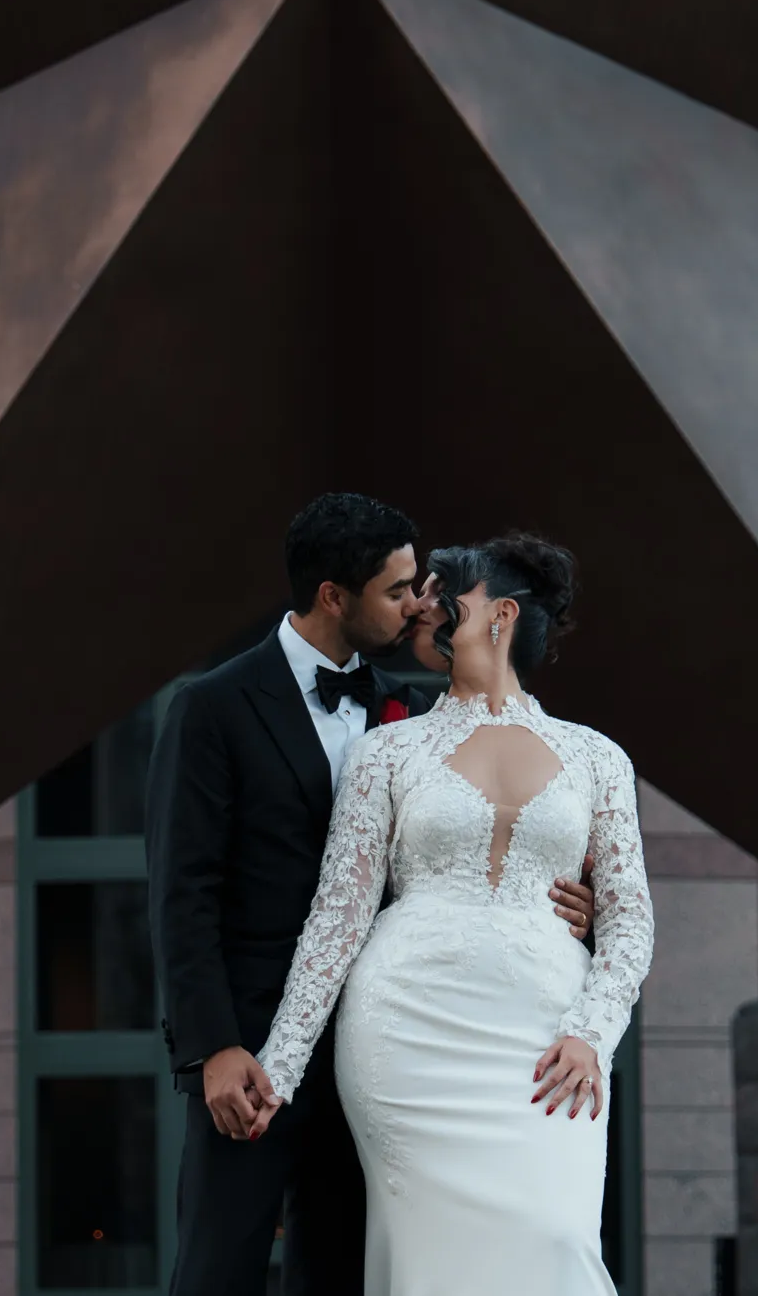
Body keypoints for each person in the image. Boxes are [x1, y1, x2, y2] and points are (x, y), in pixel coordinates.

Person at [146, 495, 597, 1296]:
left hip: (386, 1046)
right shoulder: (211, 707)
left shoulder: (417, 710)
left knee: (347, 1273)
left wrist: (565, 911)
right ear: (333, 595)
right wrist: (211, 1046)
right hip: (250, 1050)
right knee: (218, 1268)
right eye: (397, 590)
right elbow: (182, 893)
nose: (419, 603)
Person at [250, 532, 654, 1296]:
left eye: (446, 597)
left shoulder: (598, 757)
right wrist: (281, 1065)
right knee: (433, 1264)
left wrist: (591, 1032)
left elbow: (631, 919)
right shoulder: (388, 752)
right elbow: (337, 919)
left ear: (500, 615)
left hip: (548, 1040)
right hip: (406, 1034)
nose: (425, 608)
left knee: (559, 1236)